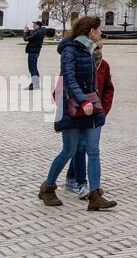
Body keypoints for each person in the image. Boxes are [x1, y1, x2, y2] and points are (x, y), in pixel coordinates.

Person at [38, 16, 117, 211]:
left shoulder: (89, 50)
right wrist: (83, 100)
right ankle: (48, 188)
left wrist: (94, 101)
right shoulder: (69, 51)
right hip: (73, 107)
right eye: (98, 30)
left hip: (92, 107)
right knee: (69, 151)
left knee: (93, 150)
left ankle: (95, 195)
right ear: (91, 31)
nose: (100, 33)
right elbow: (69, 79)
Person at [66, 41, 114, 199]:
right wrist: (69, 108)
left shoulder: (104, 65)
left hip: (96, 113)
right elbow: (61, 87)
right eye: (93, 48)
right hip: (78, 112)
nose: (96, 51)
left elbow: (108, 89)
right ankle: (81, 183)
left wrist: (104, 110)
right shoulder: (77, 63)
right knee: (78, 148)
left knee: (91, 148)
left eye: (99, 48)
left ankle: (89, 186)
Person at [23, 20, 48, 90]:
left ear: (37, 25)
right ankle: (36, 84)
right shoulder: (39, 31)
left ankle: (33, 84)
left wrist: (25, 32)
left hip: (33, 52)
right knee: (34, 68)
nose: (33, 26)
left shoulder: (38, 32)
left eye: (34, 24)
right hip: (35, 51)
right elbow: (31, 37)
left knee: (32, 68)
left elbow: (26, 39)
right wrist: (28, 32)